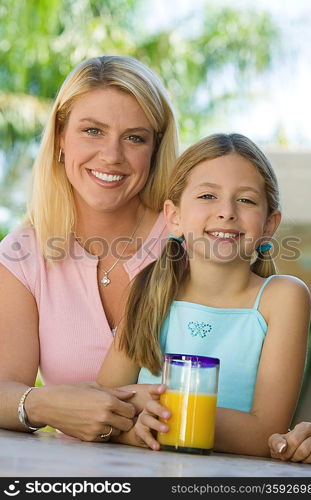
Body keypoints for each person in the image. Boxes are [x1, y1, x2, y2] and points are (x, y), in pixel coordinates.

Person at [97, 132, 311, 458]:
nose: (226, 212)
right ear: (174, 217)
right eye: (208, 196)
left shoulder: (282, 299)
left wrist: (150, 404)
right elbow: (103, 405)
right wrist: (132, 433)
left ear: (269, 225)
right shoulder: (148, 290)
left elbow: (262, 433)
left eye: (246, 200)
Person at [0, 55, 179, 441]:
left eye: (135, 137)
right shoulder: (22, 255)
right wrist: (45, 404)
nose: (112, 156)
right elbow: (3, 389)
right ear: (61, 136)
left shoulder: (188, 241)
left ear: (155, 148)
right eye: (93, 131)